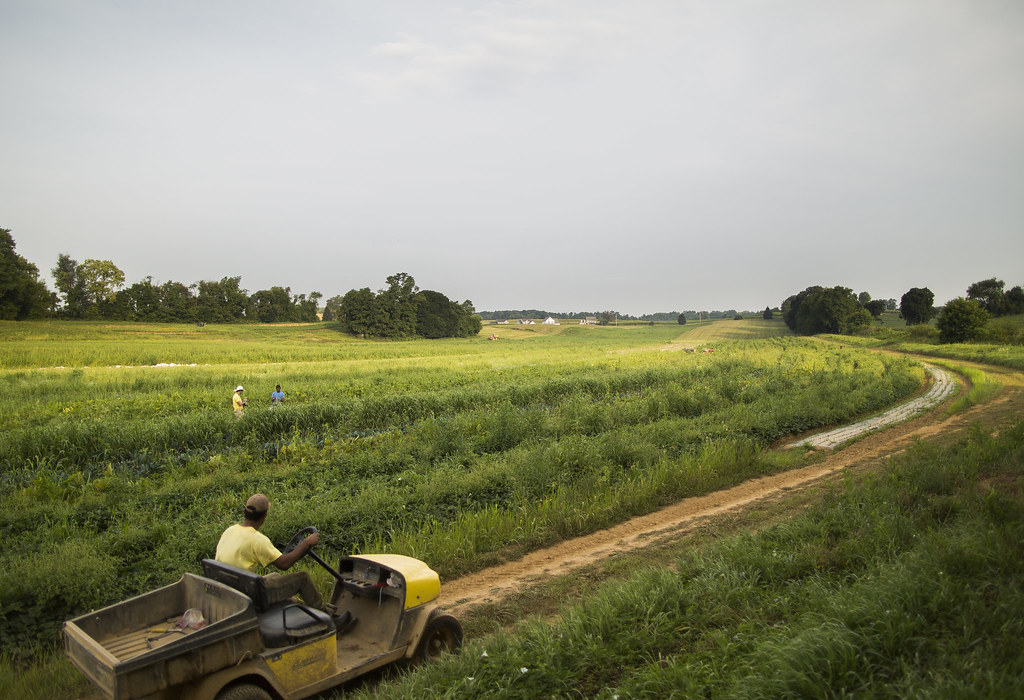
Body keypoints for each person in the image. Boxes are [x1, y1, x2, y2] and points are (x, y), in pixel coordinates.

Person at [215, 494, 324, 609]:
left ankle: (293, 605)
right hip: (249, 595)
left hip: (230, 588)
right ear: (264, 515)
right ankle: (325, 615)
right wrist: (306, 543)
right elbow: (284, 564)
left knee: (275, 576)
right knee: (303, 578)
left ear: (244, 512)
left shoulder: (230, 530)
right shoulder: (256, 539)